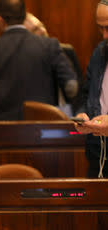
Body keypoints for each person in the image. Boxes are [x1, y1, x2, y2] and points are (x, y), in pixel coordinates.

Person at [0, 0, 78, 120]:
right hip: (44, 127)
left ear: (0, 19)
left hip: (5, 130)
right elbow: (71, 86)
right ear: (25, 15)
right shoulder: (49, 45)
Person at [23, 12, 83, 116]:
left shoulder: (66, 50)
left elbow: (80, 88)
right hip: (40, 114)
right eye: (35, 29)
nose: (42, 30)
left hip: (69, 112)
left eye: (42, 25)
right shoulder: (25, 61)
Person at [74, 0, 108, 178]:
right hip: (97, 154)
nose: (104, 36)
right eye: (100, 28)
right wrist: (82, 115)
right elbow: (86, 95)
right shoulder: (100, 53)